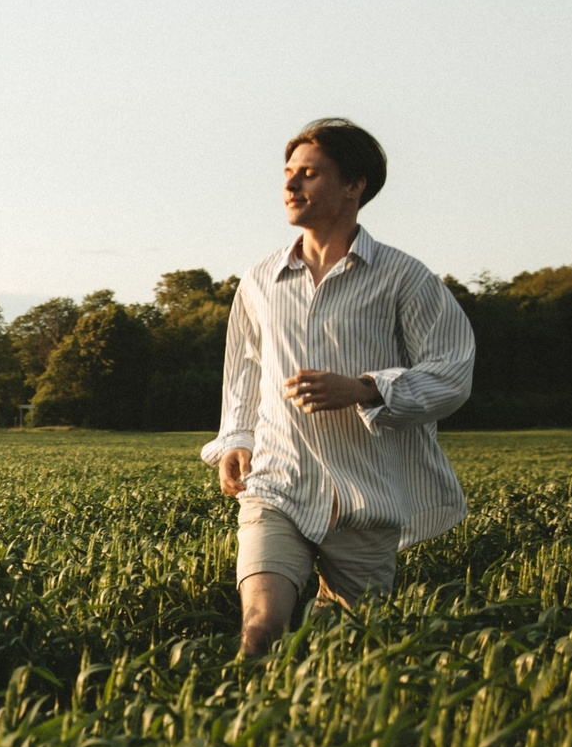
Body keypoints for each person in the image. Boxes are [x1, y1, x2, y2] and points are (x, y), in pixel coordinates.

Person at [202, 119, 475, 657]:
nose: (291, 186)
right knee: (261, 629)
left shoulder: (404, 277)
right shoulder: (259, 280)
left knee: (346, 651)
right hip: (277, 483)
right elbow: (244, 371)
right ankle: (238, 720)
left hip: (366, 496)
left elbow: (453, 371)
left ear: (355, 186)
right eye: (288, 173)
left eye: (309, 174)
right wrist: (236, 438)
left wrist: (366, 388)